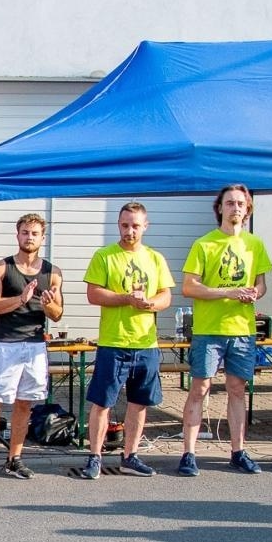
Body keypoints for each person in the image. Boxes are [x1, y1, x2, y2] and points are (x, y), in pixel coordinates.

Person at [177, 184, 272, 476]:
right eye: (230, 203)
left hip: (242, 329)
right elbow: (189, 287)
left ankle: (238, 451)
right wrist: (227, 292)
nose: (235, 208)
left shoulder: (254, 244)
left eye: (241, 204)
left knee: (237, 390)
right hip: (209, 329)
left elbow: (261, 284)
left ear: (248, 209)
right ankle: (188, 453)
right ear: (220, 208)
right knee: (200, 388)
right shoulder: (204, 244)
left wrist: (254, 293)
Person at [77, 203, 174, 480]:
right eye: (125, 225)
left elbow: (166, 296)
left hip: (146, 343)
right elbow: (94, 294)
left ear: (145, 226)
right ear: (118, 225)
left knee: (139, 402)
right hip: (113, 341)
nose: (130, 231)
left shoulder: (155, 258)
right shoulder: (105, 256)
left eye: (135, 226)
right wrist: (126, 299)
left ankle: (130, 456)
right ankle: (95, 457)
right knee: (102, 402)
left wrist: (150, 303)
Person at [0, 213, 63, 482]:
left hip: (35, 346)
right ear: (17, 235)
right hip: (6, 344)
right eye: (25, 232)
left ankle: (14, 458)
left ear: (42, 238)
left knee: (24, 404)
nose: (29, 238)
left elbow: (57, 314)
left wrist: (48, 305)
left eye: (34, 233)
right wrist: (20, 299)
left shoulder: (52, 273)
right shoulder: (1, 268)